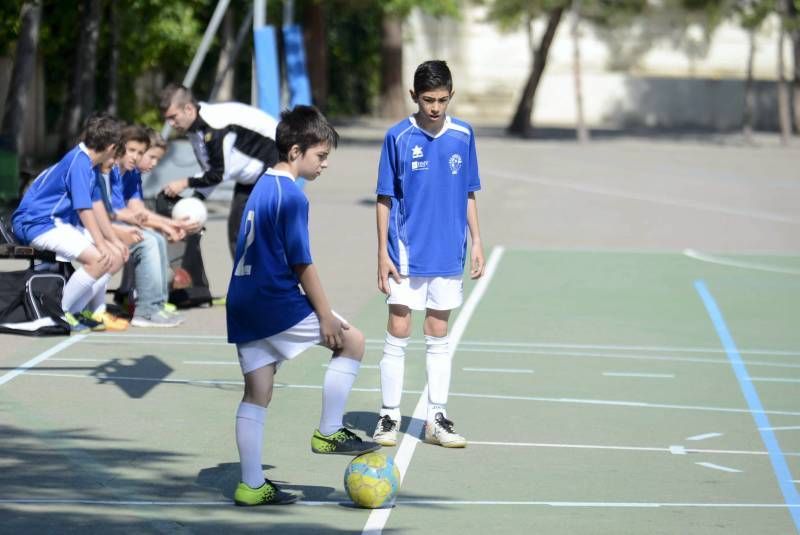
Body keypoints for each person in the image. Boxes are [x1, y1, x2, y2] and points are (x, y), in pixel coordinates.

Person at [226, 105, 379, 507]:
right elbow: (302, 262)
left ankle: (252, 484)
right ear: (295, 151)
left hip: (242, 301)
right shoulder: (292, 196)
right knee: (353, 342)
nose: (324, 164)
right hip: (274, 302)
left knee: (257, 391)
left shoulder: (261, 185)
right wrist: (325, 315)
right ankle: (329, 430)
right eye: (321, 156)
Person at [372, 60, 485, 449]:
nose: (435, 107)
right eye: (427, 100)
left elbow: (469, 191)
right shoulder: (397, 137)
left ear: (451, 95)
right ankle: (388, 415)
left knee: (438, 333)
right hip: (405, 253)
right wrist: (381, 254)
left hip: (449, 252)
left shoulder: (463, 135)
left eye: (441, 100)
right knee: (398, 329)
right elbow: (384, 198)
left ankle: (436, 417)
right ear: (413, 97)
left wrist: (478, 243)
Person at [11, 113, 125, 332]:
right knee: (98, 259)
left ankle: (76, 311)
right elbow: (83, 210)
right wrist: (101, 246)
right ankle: (58, 314)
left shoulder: (88, 164)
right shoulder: (79, 162)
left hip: (54, 224)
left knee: (115, 256)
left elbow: (95, 206)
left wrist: (112, 241)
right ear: (111, 147)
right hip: (36, 223)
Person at [159, 84, 279, 257]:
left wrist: (184, 183)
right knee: (237, 231)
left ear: (188, 108)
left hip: (275, 165)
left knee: (257, 232)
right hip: (252, 176)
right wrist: (191, 206)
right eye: (167, 119)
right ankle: (245, 282)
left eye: (173, 117)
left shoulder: (214, 126)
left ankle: (268, 281)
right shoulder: (195, 131)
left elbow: (218, 174)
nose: (170, 124)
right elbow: (210, 174)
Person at [96, 125, 186, 327]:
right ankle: (146, 309)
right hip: (95, 228)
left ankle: (155, 306)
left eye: (141, 153)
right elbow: (122, 215)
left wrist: (171, 224)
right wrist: (168, 224)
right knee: (148, 241)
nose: (152, 163)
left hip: (109, 225)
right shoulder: (110, 171)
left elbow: (137, 213)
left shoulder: (128, 173)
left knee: (156, 238)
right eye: (151, 157)